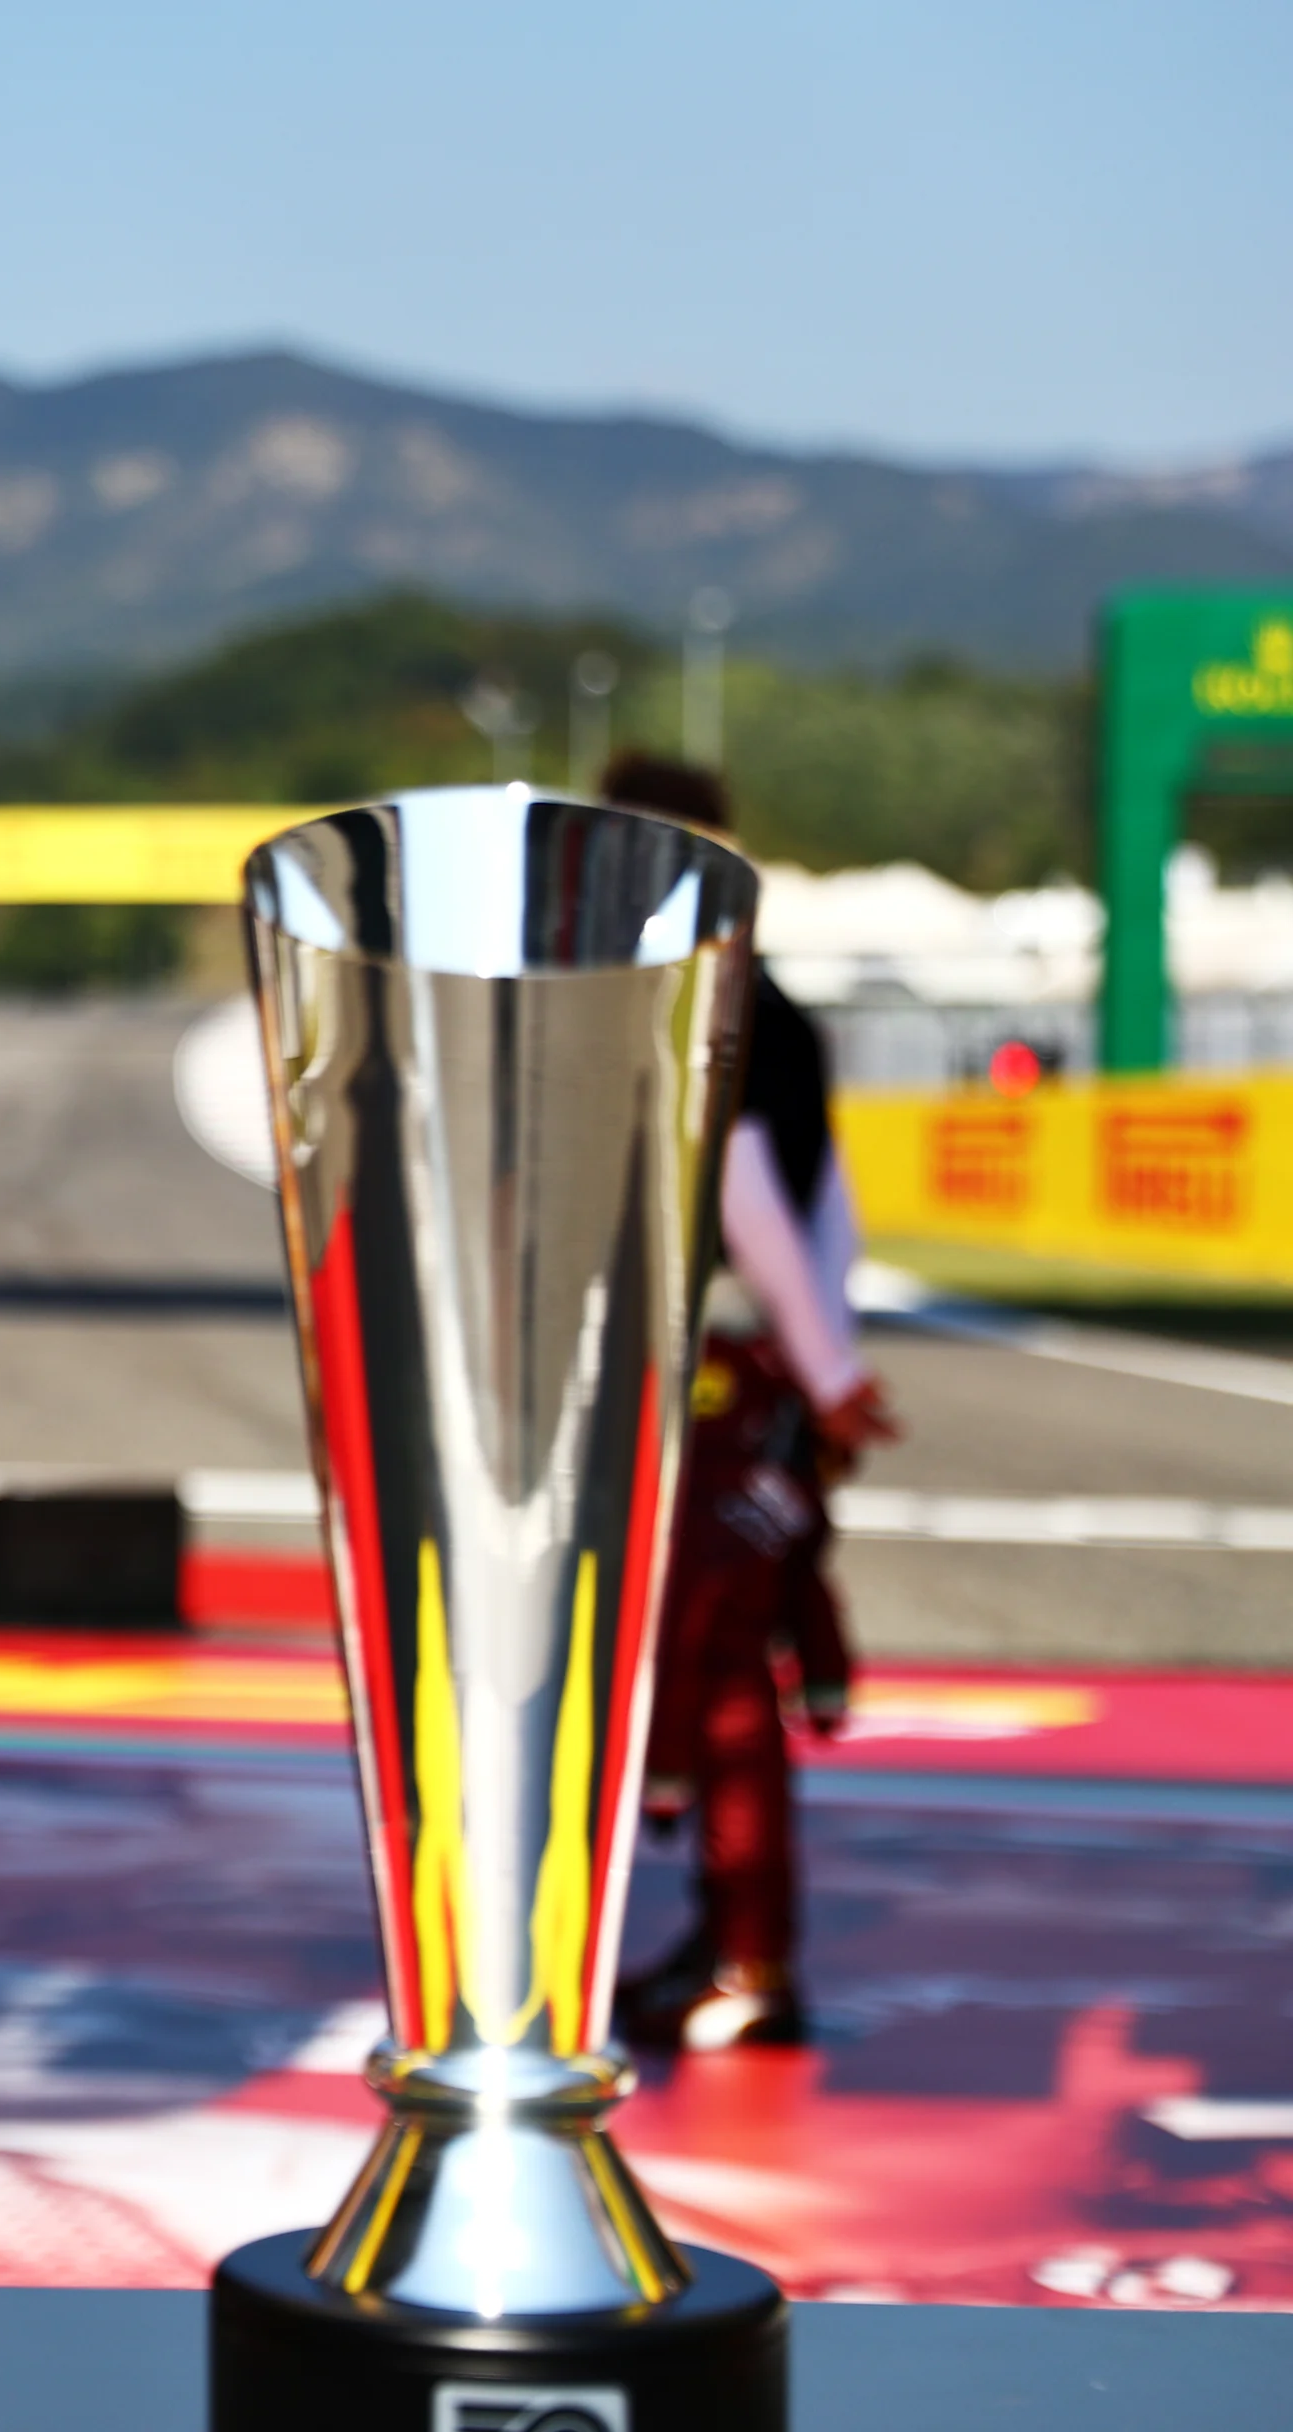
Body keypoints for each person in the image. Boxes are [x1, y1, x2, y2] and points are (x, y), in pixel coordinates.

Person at [602, 750, 898, 2052]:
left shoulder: (690, 1001)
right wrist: (826, 1368)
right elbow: (825, 1207)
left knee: (715, 1674)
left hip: (700, 1377)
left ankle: (750, 1956)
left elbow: (753, 1189)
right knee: (723, 1669)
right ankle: (733, 1939)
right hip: (749, 1375)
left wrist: (826, 1377)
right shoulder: (772, 1003)